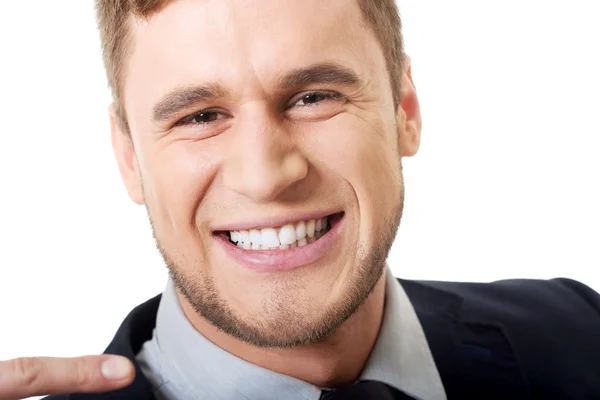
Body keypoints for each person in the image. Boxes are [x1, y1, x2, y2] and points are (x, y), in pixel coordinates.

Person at [1, 0, 599, 399]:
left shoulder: (580, 333)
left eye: (314, 97)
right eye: (200, 115)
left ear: (404, 110)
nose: (264, 176)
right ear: (129, 157)